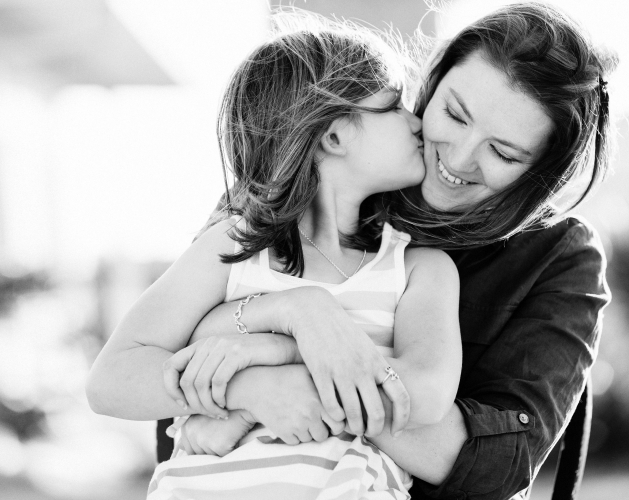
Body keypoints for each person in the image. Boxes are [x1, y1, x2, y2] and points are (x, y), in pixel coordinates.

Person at [88, 2, 616, 499]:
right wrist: (291, 317)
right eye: (454, 115)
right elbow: (153, 371)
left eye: (503, 152)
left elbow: (494, 466)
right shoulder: (258, 217)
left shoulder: (528, 257)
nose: (458, 157)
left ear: (541, 171)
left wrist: (285, 361)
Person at [88, 11, 463, 500]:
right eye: (393, 106)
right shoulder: (233, 246)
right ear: (334, 135)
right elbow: (111, 380)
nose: (417, 123)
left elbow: (427, 395)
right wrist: (249, 392)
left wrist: (272, 353)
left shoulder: (418, 270)